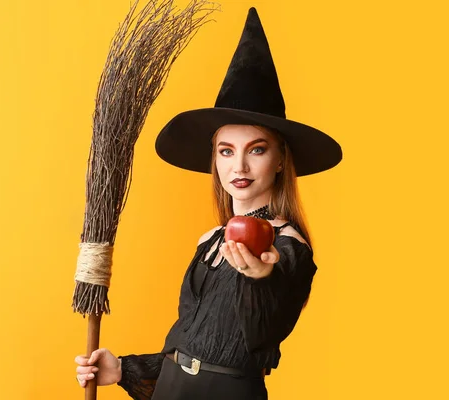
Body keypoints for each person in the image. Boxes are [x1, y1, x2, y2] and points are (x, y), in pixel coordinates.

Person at [74, 7, 342, 400]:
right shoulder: (210, 241)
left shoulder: (286, 247)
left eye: (257, 149)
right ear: (214, 159)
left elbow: (265, 329)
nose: (240, 166)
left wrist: (260, 280)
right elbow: (195, 343)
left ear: (281, 159)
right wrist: (124, 368)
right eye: (226, 151)